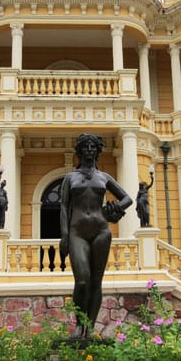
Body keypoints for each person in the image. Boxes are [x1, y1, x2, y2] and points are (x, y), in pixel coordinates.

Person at [59, 133, 133, 338]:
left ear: (97, 151)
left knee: (96, 281)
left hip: (101, 230)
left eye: (93, 147)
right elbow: (64, 206)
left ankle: (90, 328)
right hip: (77, 232)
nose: (90, 150)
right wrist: (64, 236)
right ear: (80, 150)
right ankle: (79, 325)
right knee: (82, 280)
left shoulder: (104, 177)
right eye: (86, 146)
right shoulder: (70, 178)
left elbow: (127, 198)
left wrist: (115, 208)